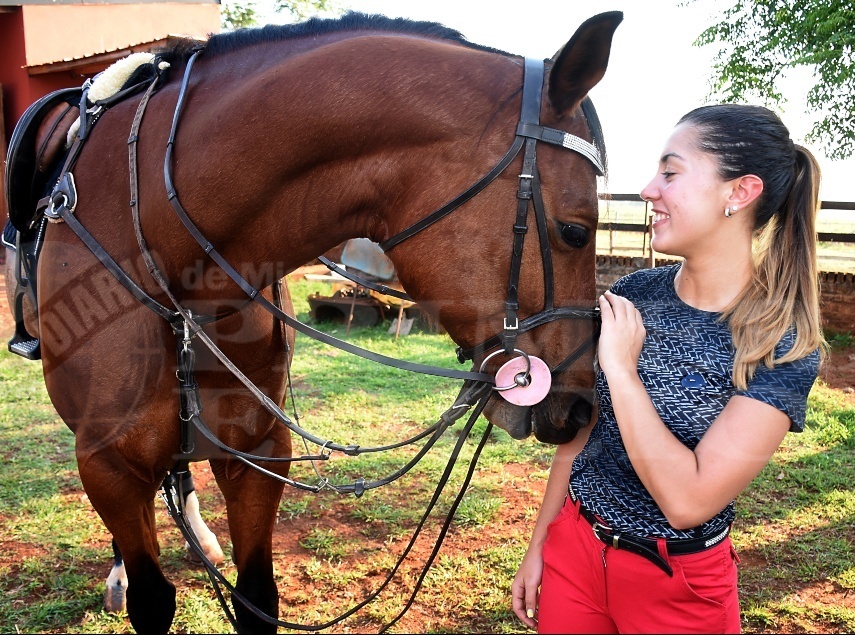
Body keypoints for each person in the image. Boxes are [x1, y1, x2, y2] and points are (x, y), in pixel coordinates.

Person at [511, 104, 825, 634]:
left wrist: (622, 369)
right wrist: (541, 543)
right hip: (576, 552)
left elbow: (687, 501)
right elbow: (583, 434)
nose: (648, 189)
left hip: (676, 585)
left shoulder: (780, 341)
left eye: (670, 172)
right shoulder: (635, 293)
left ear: (739, 193)